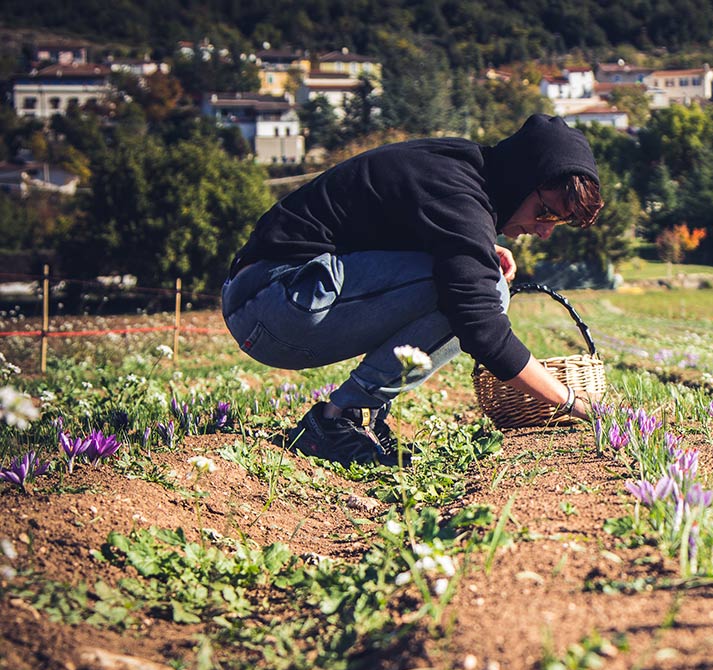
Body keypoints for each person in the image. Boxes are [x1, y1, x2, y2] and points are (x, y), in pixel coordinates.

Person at [221, 114, 604, 466]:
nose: (545, 230)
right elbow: (479, 325)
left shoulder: (465, 171)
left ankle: (358, 417)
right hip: (270, 301)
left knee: (475, 279)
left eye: (559, 222)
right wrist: (569, 401)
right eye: (546, 212)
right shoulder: (459, 193)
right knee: (477, 293)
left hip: (275, 299)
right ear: (524, 177)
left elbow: (404, 224)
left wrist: (479, 248)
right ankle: (337, 419)